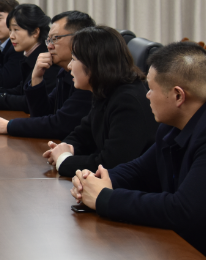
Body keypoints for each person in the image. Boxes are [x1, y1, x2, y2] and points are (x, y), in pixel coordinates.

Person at [70, 42, 206, 255]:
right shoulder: (183, 116)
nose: (147, 95)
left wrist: (105, 198)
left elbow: (184, 210)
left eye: (151, 89)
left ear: (178, 96)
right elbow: (141, 169)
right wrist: (94, 181)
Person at [42, 27, 158, 177]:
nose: (69, 66)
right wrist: (67, 148)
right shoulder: (106, 89)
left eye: (74, 59)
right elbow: (84, 133)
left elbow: (111, 164)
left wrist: (63, 160)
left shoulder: (128, 101)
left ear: (94, 64)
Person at [0, 10, 95, 138]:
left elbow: (61, 124)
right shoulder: (64, 72)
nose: (49, 46)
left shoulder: (88, 76)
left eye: (55, 39)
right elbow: (43, 113)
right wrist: (36, 78)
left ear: (79, 39)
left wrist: (9, 126)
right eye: (49, 40)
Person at [0, 3, 58, 112]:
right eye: (10, 30)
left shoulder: (47, 59)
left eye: (16, 30)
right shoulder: (30, 55)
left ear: (35, 32)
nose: (11, 36)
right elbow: (21, 90)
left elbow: (33, 101)